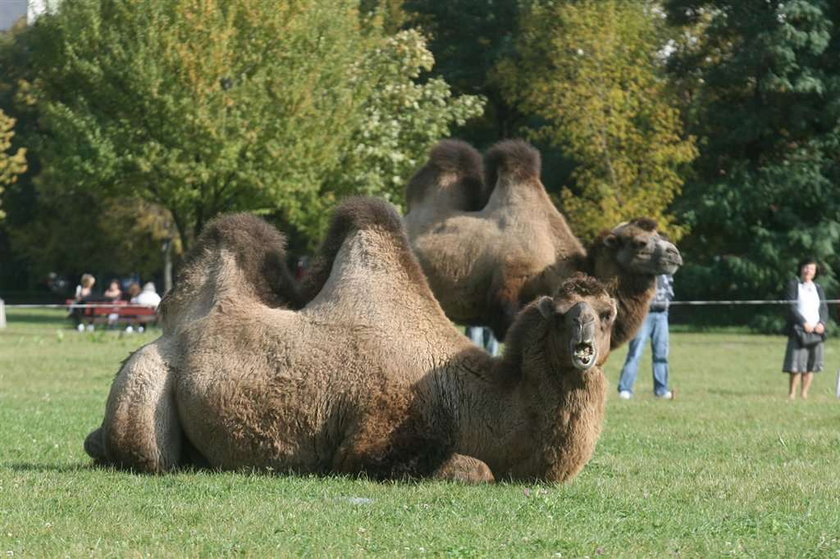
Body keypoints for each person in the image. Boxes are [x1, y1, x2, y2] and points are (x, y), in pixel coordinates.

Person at [617, 274, 675, 400]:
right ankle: (625, 389)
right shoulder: (644, 268)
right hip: (644, 315)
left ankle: (661, 390)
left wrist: (667, 300)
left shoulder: (667, 271)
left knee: (661, 355)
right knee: (635, 353)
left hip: (662, 314)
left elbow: (669, 287)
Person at [782, 258, 828, 400]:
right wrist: (803, 323)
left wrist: (822, 323)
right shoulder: (794, 285)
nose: (809, 271)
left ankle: (804, 393)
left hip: (816, 331)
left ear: (815, 272)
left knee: (811, 365)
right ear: (801, 268)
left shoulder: (818, 288)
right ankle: (792, 394)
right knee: (795, 365)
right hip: (799, 330)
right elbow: (791, 307)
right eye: (806, 268)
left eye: (812, 269)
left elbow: (824, 308)